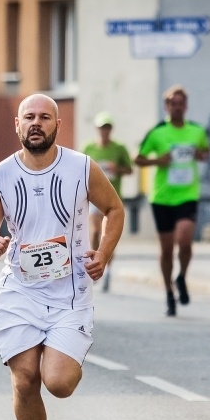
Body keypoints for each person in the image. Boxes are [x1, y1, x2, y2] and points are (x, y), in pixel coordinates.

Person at [0, 93, 125, 420]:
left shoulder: (81, 167)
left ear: (58, 124)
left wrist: (103, 255)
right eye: (29, 117)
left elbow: (114, 209)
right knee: (25, 379)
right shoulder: (0, 175)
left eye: (45, 117)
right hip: (19, 292)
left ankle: (68, 351)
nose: (37, 123)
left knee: (57, 383)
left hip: (70, 293)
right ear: (17, 124)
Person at [134, 85, 210, 317]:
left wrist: (200, 155)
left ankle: (182, 277)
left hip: (188, 194)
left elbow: (206, 152)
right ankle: (169, 292)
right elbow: (138, 159)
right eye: (172, 104)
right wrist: (158, 162)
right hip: (162, 197)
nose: (177, 107)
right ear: (166, 106)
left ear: (185, 107)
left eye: (180, 104)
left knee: (185, 240)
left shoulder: (196, 131)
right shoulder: (157, 132)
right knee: (167, 250)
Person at [81, 111, 133, 292]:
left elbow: (129, 170)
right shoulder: (88, 148)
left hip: (113, 200)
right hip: (94, 199)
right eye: (102, 128)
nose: (105, 131)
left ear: (111, 130)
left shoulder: (119, 149)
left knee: (109, 236)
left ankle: (108, 270)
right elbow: (79, 171)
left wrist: (116, 169)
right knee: (95, 233)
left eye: (108, 128)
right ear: (97, 129)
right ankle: (97, 262)